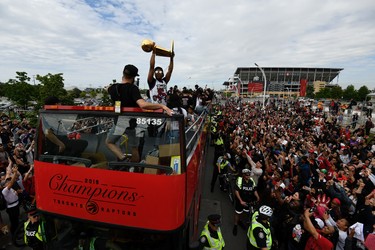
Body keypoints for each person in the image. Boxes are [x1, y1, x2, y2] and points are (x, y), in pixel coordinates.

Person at [106, 64, 173, 161]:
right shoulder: (133, 89)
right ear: (133, 77)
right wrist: (162, 106)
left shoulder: (113, 88)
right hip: (132, 124)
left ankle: (123, 158)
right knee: (135, 148)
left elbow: (108, 88)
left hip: (119, 122)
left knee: (109, 142)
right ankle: (134, 168)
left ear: (123, 74)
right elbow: (143, 105)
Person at [233, 168, 260, 236]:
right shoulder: (240, 180)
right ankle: (235, 225)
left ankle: (240, 221)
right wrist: (241, 201)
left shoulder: (251, 181)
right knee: (238, 213)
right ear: (243, 175)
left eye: (249, 175)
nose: (248, 176)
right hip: (240, 201)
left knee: (245, 212)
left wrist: (257, 197)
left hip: (248, 201)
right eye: (246, 175)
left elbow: (254, 190)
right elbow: (236, 191)